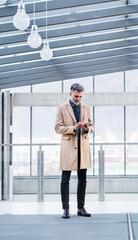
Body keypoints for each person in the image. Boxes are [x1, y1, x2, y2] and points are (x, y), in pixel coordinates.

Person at [55, 83, 94, 219]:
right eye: (76, 96)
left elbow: (92, 125)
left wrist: (86, 128)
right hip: (68, 148)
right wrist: (73, 128)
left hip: (82, 148)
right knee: (65, 180)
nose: (78, 99)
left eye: (80, 96)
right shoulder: (61, 108)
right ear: (70, 94)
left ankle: (80, 208)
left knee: (82, 179)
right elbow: (58, 128)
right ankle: (65, 208)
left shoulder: (86, 108)